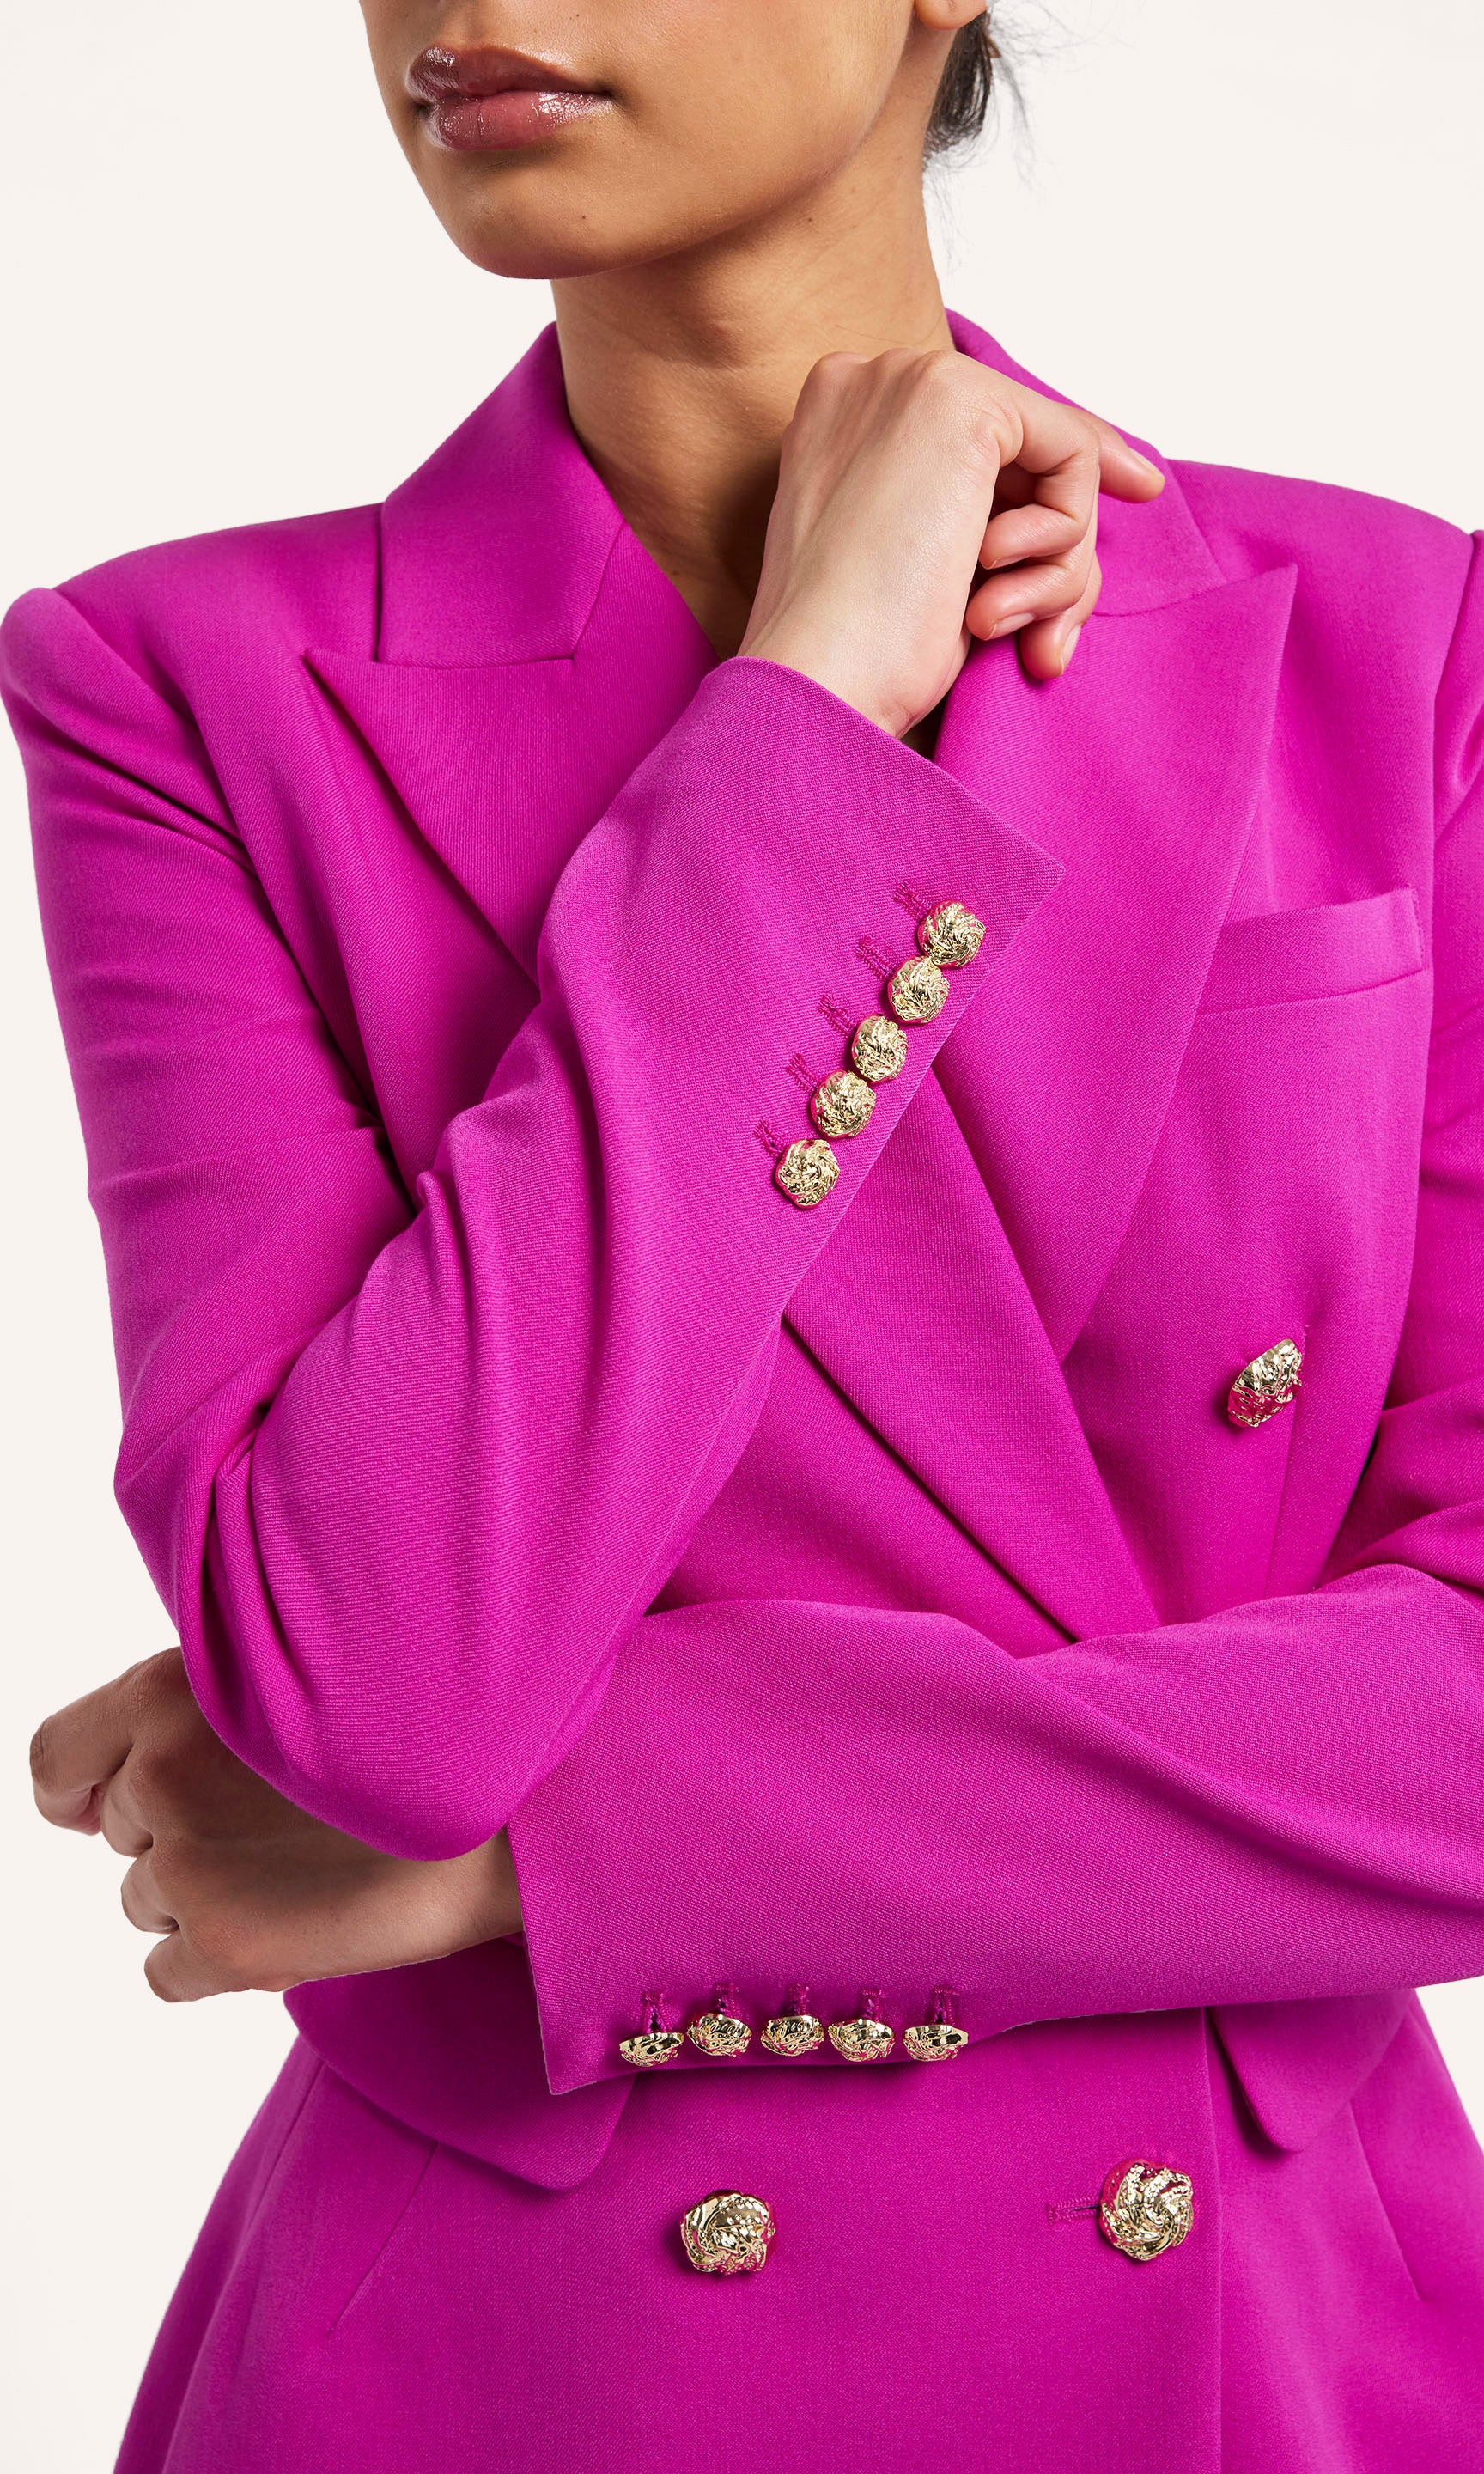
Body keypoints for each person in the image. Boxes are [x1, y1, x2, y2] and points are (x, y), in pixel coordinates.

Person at [7, 3, 1484, 2467]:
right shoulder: (181, 694)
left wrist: (568, 1862)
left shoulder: (1401, 645)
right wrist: (797, 722)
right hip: (523, 2370)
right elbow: (383, 1685)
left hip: (1264, 2350)